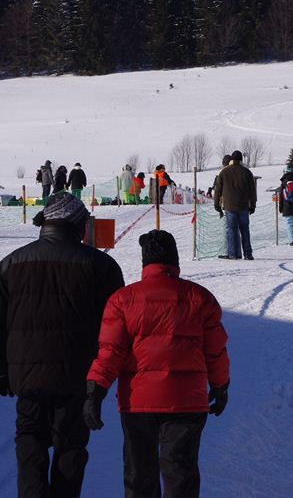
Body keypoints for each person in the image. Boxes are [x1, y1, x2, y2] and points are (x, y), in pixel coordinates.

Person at [84, 230, 230, 498]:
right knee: (180, 472)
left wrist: (96, 389)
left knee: (139, 473)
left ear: (144, 262)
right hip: (188, 401)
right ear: (175, 261)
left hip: (138, 401)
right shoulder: (200, 298)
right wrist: (220, 386)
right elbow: (215, 351)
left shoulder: (123, 300)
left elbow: (110, 351)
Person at [0, 193, 125, 497]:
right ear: (77, 225)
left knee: (30, 443)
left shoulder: (11, 264)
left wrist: (3, 372)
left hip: (26, 377)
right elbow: (115, 329)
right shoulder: (102, 266)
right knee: (70, 447)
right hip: (78, 377)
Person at [214, 151, 257, 260]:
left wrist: (217, 205)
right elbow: (253, 191)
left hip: (229, 205)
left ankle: (232, 254)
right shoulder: (247, 172)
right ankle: (248, 253)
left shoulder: (224, 172)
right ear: (241, 159)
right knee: (245, 230)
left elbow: (218, 190)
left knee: (231, 230)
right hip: (244, 206)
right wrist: (253, 205)